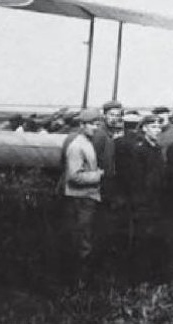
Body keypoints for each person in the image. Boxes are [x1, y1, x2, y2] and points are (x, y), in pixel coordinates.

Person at [61, 109, 105, 286]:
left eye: (97, 123)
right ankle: (78, 282)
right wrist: (98, 175)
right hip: (80, 199)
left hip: (86, 198)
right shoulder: (77, 146)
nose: (96, 127)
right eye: (92, 124)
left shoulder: (85, 142)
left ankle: (81, 280)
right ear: (82, 125)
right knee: (82, 240)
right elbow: (74, 176)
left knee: (84, 238)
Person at [127, 115, 169, 280]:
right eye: (153, 127)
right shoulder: (139, 149)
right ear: (144, 128)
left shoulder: (156, 148)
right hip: (143, 202)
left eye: (159, 127)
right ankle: (137, 276)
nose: (157, 130)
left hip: (156, 201)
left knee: (153, 238)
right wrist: (140, 202)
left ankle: (151, 275)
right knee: (141, 239)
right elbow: (136, 180)